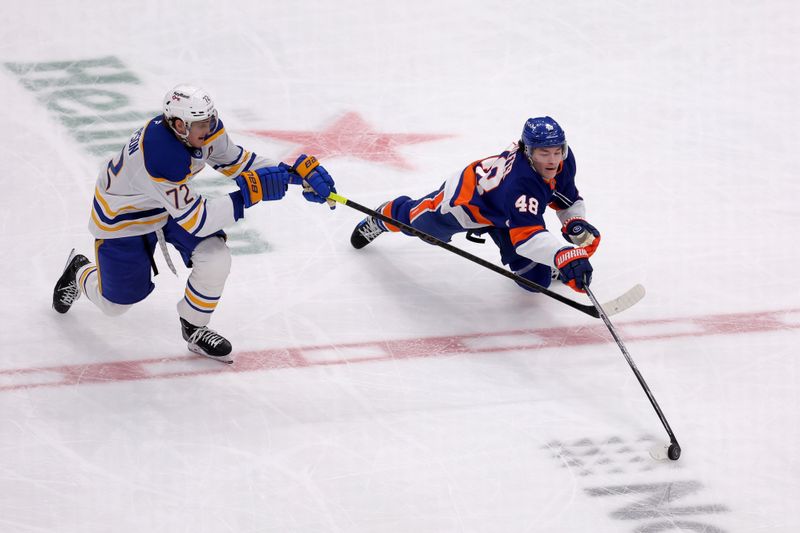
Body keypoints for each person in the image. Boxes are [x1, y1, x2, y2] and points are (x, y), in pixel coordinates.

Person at [52, 84, 336, 364]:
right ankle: (79, 271)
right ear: (178, 125)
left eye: (210, 119)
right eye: (201, 123)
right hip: (123, 219)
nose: (209, 127)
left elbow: (236, 162)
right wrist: (250, 194)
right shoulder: (160, 154)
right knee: (114, 305)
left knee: (215, 256)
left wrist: (293, 175)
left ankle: (194, 327)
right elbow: (198, 221)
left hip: (166, 206)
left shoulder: (199, 131)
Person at [350, 116, 599, 294]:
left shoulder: (563, 162)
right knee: (419, 224)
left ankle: (543, 263)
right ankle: (381, 216)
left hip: (507, 213)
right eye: (544, 153)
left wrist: (575, 222)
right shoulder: (521, 183)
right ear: (527, 151)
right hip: (468, 203)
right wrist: (561, 255)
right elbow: (526, 238)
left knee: (536, 282)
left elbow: (567, 199)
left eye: (558, 151)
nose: (553, 160)